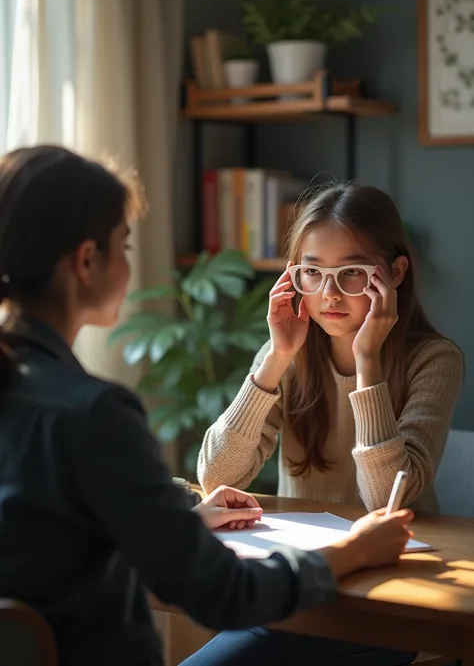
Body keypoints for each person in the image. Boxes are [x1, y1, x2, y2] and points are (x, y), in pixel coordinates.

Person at [0, 146, 416, 666]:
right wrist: (352, 553)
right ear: (87, 261)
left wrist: (182, 525)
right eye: (124, 245)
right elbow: (225, 593)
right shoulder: (94, 414)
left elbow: (48, 544)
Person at [197, 182, 463, 514]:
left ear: (396, 272)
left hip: (402, 552)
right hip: (308, 551)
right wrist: (277, 358)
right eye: (312, 272)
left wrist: (367, 360)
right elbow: (215, 478)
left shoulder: (435, 361)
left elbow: (384, 500)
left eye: (352, 272)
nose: (329, 293)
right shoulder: (284, 353)